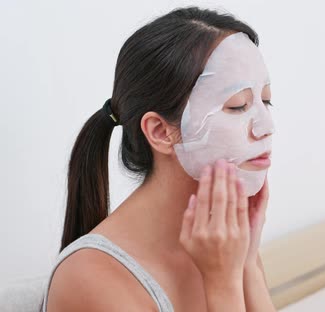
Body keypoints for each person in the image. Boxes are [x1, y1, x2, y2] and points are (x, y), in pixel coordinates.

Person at [43, 6, 276, 312]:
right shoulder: (92, 279)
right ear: (161, 132)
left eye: (267, 100)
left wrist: (247, 266)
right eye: (237, 105)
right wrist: (223, 285)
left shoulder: (224, 246)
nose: (266, 126)